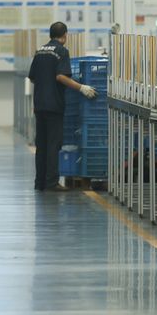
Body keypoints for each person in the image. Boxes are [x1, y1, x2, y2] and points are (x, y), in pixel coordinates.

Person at [27, 22, 98, 192]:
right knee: (53, 145)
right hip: (54, 105)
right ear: (64, 35)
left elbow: (32, 78)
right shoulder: (61, 51)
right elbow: (61, 76)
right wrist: (81, 87)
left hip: (39, 105)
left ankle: (40, 182)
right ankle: (51, 182)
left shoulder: (40, 51)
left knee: (42, 145)